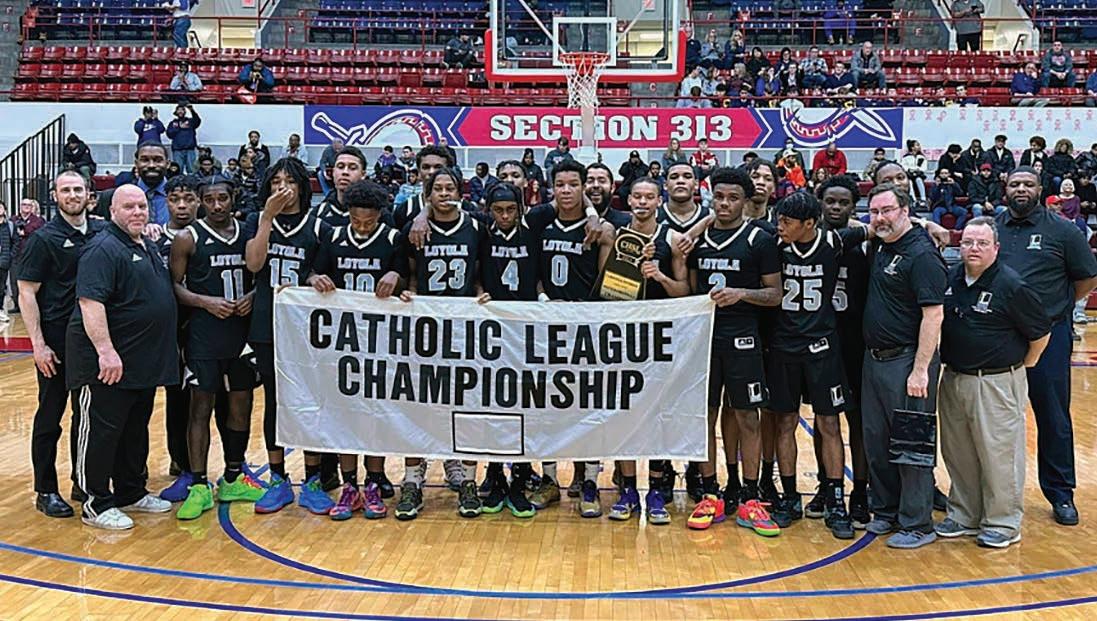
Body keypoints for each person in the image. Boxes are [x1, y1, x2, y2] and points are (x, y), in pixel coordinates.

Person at [66, 184, 178, 529]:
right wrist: (106, 351)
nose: (138, 212)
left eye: (142, 206)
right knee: (101, 432)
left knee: (134, 431)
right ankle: (95, 502)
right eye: (129, 207)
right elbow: (90, 302)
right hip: (106, 364)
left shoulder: (144, 244)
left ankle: (131, 491)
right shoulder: (103, 248)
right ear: (112, 211)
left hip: (140, 363)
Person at [937, 217, 1050, 548]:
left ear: (996, 248)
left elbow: (1040, 333)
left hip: (996, 382)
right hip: (954, 377)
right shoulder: (951, 277)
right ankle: (964, 515)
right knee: (958, 451)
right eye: (968, 242)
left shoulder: (1012, 285)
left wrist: (1023, 366)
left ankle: (1003, 522)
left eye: (982, 243)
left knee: (999, 454)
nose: (974, 248)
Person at [997, 167, 1097, 525]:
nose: (1021, 189)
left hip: (1050, 336)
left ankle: (1060, 492)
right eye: (1015, 184)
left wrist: (1059, 306)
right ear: (1005, 190)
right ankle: (995, 494)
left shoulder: (1063, 231)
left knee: (1053, 415)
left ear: (1040, 189)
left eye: (1028, 184)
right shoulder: (993, 227)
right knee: (997, 419)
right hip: (1001, 336)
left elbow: (1088, 277)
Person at [685, 166, 781, 537]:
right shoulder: (698, 241)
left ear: (745, 200)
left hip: (744, 339)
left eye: (733, 198)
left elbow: (775, 294)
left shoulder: (760, 240)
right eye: (719, 197)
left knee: (748, 417)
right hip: (704, 340)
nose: (724, 204)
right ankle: (711, 494)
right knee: (704, 417)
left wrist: (742, 293)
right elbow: (689, 290)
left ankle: (750, 497)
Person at [165, 175, 264, 519]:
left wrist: (253, 296)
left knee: (241, 405)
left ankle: (234, 476)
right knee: (200, 408)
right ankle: (198, 485)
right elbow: (173, 286)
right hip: (204, 334)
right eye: (209, 200)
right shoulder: (187, 238)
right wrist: (205, 302)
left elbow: (263, 276)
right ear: (201, 202)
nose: (217, 205)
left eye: (222, 198)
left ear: (233, 198)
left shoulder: (248, 234)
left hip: (241, 334)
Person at [768, 191, 864, 539]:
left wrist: (927, 224)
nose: (780, 226)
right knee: (785, 422)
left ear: (809, 223)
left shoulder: (834, 241)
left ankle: (836, 500)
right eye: (779, 220)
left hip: (823, 347)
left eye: (787, 222)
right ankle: (790, 497)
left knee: (829, 423)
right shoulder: (774, 245)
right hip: (783, 346)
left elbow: (878, 227)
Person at [310, 180, 407, 520]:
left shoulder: (393, 239)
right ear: (348, 214)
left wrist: (396, 276)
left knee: (375, 414)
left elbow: (407, 279)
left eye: (369, 222)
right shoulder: (334, 237)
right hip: (343, 341)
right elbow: (313, 271)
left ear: (380, 216)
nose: (362, 227)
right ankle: (349, 484)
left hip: (380, 342)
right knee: (344, 414)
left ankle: (374, 482)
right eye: (356, 221)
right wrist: (313, 279)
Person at [395, 167, 488, 520]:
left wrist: (482, 295)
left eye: (451, 188)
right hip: (425, 328)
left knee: (468, 407)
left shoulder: (476, 227)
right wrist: (409, 294)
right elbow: (409, 273)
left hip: (465, 329)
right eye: (438, 189)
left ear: (460, 193)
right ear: (428, 194)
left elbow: (480, 272)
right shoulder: (414, 228)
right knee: (418, 405)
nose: (445, 193)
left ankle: (467, 479)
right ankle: (412, 480)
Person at [244, 158, 335, 516]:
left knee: (309, 401)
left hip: (307, 329)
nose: (283, 187)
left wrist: (312, 276)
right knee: (275, 401)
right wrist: (267, 217)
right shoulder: (257, 219)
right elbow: (254, 264)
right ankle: (278, 479)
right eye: (276, 181)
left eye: (290, 181)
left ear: (302, 186)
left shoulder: (319, 225)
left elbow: (322, 273)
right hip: (267, 323)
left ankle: (312, 480)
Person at [861, 182, 947, 549]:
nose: (880, 218)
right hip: (875, 360)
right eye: (874, 212)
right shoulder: (883, 244)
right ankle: (887, 511)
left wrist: (920, 369)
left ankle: (918, 523)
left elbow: (934, 315)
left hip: (908, 362)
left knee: (912, 445)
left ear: (905, 211)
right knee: (877, 441)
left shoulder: (922, 255)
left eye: (887, 211)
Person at [19, 173, 108, 518]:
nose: (72, 195)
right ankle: (45, 489)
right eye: (65, 190)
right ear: (55, 196)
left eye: (78, 189)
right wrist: (38, 345)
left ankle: (81, 481)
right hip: (55, 342)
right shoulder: (44, 238)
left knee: (87, 416)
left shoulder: (101, 232)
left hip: (89, 340)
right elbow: (26, 293)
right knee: (50, 415)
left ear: (89, 194)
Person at [603, 177, 689, 524]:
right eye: (637, 196)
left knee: (658, 414)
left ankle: (655, 489)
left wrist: (659, 277)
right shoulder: (616, 234)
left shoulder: (672, 239)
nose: (642, 202)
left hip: (660, 338)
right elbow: (603, 288)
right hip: (624, 335)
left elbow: (685, 291)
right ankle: (627, 490)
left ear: (658, 201)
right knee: (624, 412)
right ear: (629, 201)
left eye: (648, 197)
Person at [815, 175, 871, 528]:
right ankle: (826, 486)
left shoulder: (866, 242)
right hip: (820, 343)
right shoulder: (811, 239)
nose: (836, 207)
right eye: (830, 201)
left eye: (843, 202)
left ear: (853, 206)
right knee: (824, 420)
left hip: (856, 344)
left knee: (858, 421)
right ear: (820, 203)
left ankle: (861, 491)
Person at [315, 146, 368, 227]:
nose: (345, 172)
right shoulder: (318, 213)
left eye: (352, 168)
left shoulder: (376, 214)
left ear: (363, 175)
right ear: (333, 172)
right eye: (340, 167)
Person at [166, 103, 200, 174]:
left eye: (182, 110)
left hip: (190, 149)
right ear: (176, 112)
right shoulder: (173, 123)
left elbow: (197, 121)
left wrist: (191, 110)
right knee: (178, 170)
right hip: (177, 150)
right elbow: (169, 134)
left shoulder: (190, 121)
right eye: (179, 110)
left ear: (185, 112)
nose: (180, 111)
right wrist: (179, 127)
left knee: (192, 170)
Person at [901, 140, 929, 204]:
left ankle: (923, 199)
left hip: (918, 174)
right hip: (909, 175)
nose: (919, 146)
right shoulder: (906, 157)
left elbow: (924, 168)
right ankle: (913, 199)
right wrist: (910, 170)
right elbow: (904, 166)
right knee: (909, 182)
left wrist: (917, 169)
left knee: (919, 180)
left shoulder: (922, 157)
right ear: (912, 147)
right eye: (917, 145)